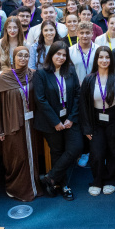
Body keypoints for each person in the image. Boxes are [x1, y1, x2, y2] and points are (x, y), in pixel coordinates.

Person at [0, 46, 43, 201]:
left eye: (26, 55)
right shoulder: (5, 77)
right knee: (17, 156)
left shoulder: (33, 75)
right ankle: (15, 188)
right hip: (12, 125)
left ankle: (33, 187)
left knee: (31, 155)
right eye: (20, 55)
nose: (23, 58)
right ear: (13, 57)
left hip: (31, 124)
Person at [34, 42, 82, 201]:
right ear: (51, 55)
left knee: (76, 147)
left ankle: (50, 177)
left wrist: (71, 118)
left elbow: (77, 95)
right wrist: (55, 121)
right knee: (57, 152)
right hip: (50, 121)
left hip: (69, 119)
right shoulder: (41, 74)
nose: (61, 57)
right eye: (58, 54)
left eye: (64, 55)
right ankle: (63, 185)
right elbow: (40, 100)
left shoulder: (71, 71)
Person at [79, 46, 115, 196]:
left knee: (113, 152)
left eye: (107, 57)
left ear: (111, 60)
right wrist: (86, 128)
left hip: (114, 120)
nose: (104, 60)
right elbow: (84, 106)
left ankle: (111, 180)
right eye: (101, 57)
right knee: (97, 154)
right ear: (96, 59)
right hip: (95, 120)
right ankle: (97, 181)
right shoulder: (89, 79)